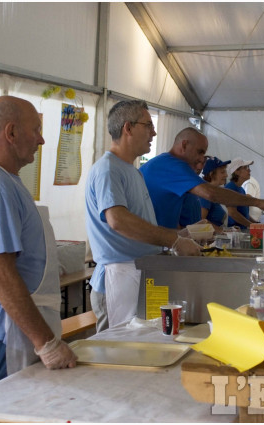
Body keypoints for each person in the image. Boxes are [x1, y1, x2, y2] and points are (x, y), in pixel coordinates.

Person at [0, 96, 77, 387]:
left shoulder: (6, 181)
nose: (42, 140)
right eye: (36, 129)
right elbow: (0, 274)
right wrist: (45, 343)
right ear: (11, 133)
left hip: (14, 328)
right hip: (6, 332)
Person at [85, 100, 201, 330]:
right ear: (128, 128)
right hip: (117, 278)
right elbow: (118, 220)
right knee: (116, 355)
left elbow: (141, 223)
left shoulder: (132, 170)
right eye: (148, 125)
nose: (154, 132)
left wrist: (180, 234)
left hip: (137, 274)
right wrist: (174, 240)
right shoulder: (108, 168)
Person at [140, 128, 264, 229]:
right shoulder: (171, 165)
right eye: (200, 152)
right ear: (184, 145)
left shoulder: (168, 164)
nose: (201, 159)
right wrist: (257, 202)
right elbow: (211, 194)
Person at [200, 156, 231, 230]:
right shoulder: (206, 193)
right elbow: (201, 221)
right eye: (222, 172)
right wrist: (222, 231)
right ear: (211, 174)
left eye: (225, 171)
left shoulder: (212, 192)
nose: (226, 175)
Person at [225, 158, 255, 228]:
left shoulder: (241, 189)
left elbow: (244, 214)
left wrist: (256, 223)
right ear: (237, 172)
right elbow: (232, 213)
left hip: (242, 231)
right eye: (245, 167)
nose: (249, 170)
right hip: (235, 232)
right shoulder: (230, 188)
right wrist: (252, 225)